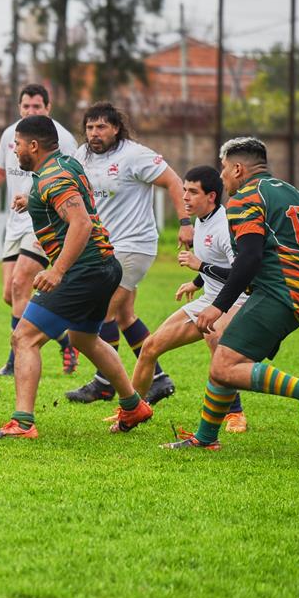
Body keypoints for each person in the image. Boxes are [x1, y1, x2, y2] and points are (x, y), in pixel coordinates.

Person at [0, 115, 152, 439]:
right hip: (103, 266)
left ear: (33, 145)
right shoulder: (64, 166)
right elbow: (63, 202)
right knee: (84, 339)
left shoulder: (53, 177)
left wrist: (57, 270)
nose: (14, 151)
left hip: (82, 270)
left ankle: (23, 423)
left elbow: (81, 223)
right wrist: (29, 201)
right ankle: (133, 405)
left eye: (16, 144)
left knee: (24, 337)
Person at [163, 137, 299, 451]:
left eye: (225, 168)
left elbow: (249, 258)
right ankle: (205, 439)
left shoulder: (245, 198)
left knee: (222, 365)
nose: (223, 175)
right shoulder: (290, 192)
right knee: (226, 357)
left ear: (238, 168)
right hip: (293, 292)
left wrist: (218, 307)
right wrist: (296, 276)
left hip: (276, 293)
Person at [65, 101, 193, 406]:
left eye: (101, 127)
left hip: (134, 245)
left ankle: (104, 383)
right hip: (103, 247)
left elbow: (174, 182)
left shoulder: (135, 155)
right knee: (123, 315)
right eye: (89, 127)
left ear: (116, 128)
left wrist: (186, 223)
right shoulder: (81, 155)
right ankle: (159, 379)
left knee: (104, 311)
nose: (94, 133)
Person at [108, 166, 251, 432]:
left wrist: (200, 268)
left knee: (215, 340)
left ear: (211, 196)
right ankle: (132, 411)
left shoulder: (226, 226)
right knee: (150, 347)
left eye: (192, 192)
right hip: (209, 298)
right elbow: (213, 261)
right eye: (184, 190)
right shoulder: (201, 219)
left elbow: (242, 274)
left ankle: (235, 414)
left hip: (237, 301)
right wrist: (197, 282)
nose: (185, 197)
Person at [0, 84, 81, 378]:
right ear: (19, 108)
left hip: (43, 221)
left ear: (48, 107)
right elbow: (0, 169)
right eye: (26, 107)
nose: (31, 111)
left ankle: (14, 358)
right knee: (11, 294)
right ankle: (65, 340)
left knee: (21, 284)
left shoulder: (62, 139)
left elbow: (69, 179)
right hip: (14, 223)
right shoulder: (10, 135)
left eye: (37, 107)